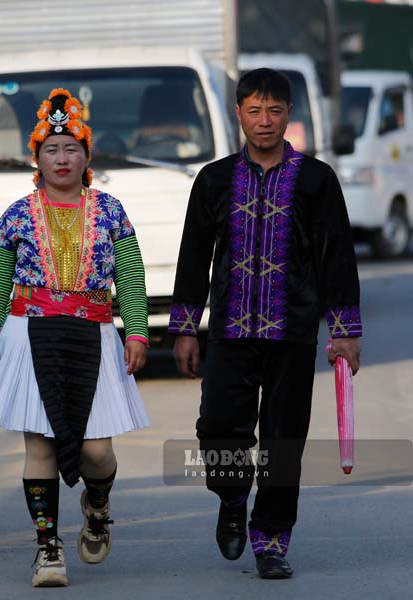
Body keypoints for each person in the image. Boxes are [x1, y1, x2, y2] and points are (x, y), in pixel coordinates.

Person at [169, 68, 362, 579]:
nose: (264, 121)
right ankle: (232, 498)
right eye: (254, 110)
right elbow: (193, 257)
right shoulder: (212, 179)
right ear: (238, 113)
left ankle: (271, 540)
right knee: (216, 429)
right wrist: (186, 327)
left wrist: (344, 331)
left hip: (292, 334)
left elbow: (337, 256)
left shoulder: (317, 181)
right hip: (230, 333)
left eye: (274, 111)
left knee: (283, 443)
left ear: (289, 116)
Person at [0, 88, 149, 587]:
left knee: (96, 451)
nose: (61, 158)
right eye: (51, 149)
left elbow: (130, 276)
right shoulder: (18, 215)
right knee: (40, 445)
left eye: (71, 148)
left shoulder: (110, 210)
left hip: (94, 333)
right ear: (37, 159)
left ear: (87, 156)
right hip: (31, 334)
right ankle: (48, 549)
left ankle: (98, 504)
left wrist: (136, 333)